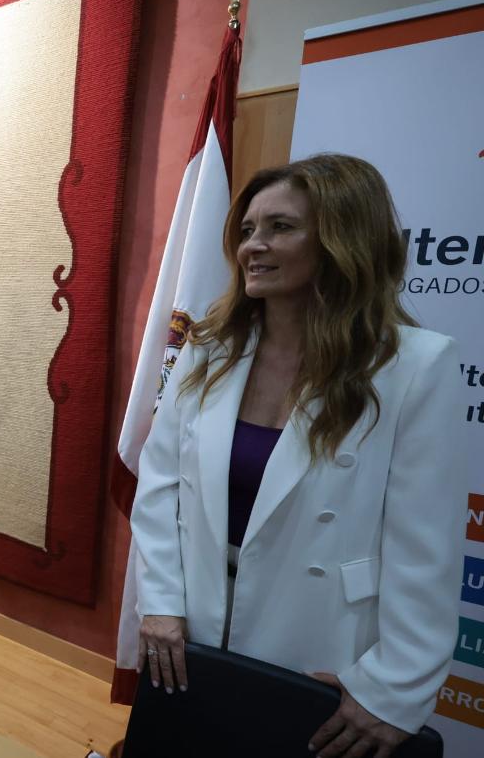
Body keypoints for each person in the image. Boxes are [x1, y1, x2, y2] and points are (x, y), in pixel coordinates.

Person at [129, 154, 463, 757]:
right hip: (192, 624)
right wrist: (159, 602)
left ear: (342, 240)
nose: (252, 246)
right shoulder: (208, 349)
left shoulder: (412, 366)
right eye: (248, 230)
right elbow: (159, 484)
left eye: (280, 227)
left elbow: (425, 551)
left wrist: (393, 689)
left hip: (321, 638)